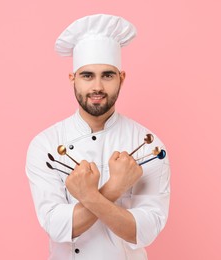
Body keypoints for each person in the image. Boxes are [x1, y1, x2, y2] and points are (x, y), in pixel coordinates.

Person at [25, 14, 170, 260]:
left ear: (121, 78)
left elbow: (145, 231)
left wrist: (89, 194)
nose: (98, 87)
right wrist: (115, 187)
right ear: (73, 79)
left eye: (108, 75)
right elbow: (57, 226)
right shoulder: (46, 145)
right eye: (87, 75)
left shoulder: (148, 145)